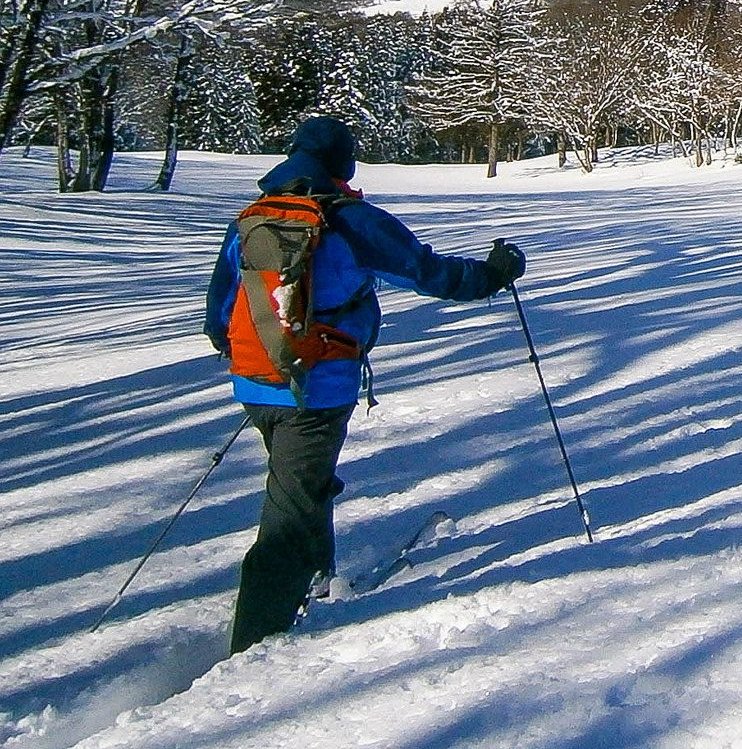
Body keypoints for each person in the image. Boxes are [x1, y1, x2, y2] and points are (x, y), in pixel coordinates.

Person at [204, 114, 525, 654]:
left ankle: (316, 577)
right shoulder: (352, 221)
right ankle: (255, 641)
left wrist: (261, 357)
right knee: (291, 508)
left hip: (258, 382)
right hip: (320, 387)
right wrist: (493, 273)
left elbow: (219, 312)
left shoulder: (254, 218)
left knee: (304, 488)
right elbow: (426, 272)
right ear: (342, 164)